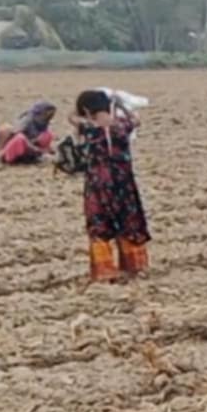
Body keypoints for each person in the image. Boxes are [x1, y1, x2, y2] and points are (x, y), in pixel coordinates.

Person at [74, 90, 150, 282]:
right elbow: (136, 119)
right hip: (123, 182)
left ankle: (105, 270)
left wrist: (81, 111)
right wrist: (120, 105)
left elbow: (71, 118)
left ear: (86, 110)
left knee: (100, 223)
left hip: (98, 184)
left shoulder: (89, 128)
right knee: (129, 220)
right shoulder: (123, 126)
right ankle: (134, 265)